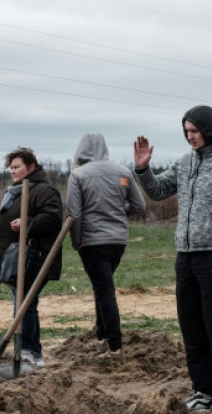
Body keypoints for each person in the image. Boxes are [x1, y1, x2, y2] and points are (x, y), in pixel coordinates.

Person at [133, 105, 212, 411]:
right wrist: (143, 170)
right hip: (185, 256)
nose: (190, 137)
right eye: (186, 132)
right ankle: (201, 389)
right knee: (192, 329)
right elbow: (159, 191)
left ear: (209, 129)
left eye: (195, 131)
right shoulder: (185, 163)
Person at [66, 132, 146, 356]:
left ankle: (114, 344)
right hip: (118, 241)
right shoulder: (123, 171)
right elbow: (139, 206)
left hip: (92, 242)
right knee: (101, 287)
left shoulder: (78, 175)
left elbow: (74, 214)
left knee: (105, 290)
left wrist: (77, 242)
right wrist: (118, 214)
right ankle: (102, 335)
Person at [0, 147, 63, 369]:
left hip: (34, 257)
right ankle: (29, 352)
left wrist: (28, 223)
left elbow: (53, 217)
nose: (13, 171)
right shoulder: (15, 192)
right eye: (11, 167)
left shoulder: (43, 191)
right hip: (16, 258)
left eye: (17, 167)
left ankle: (30, 353)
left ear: (31, 167)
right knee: (23, 303)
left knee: (25, 304)